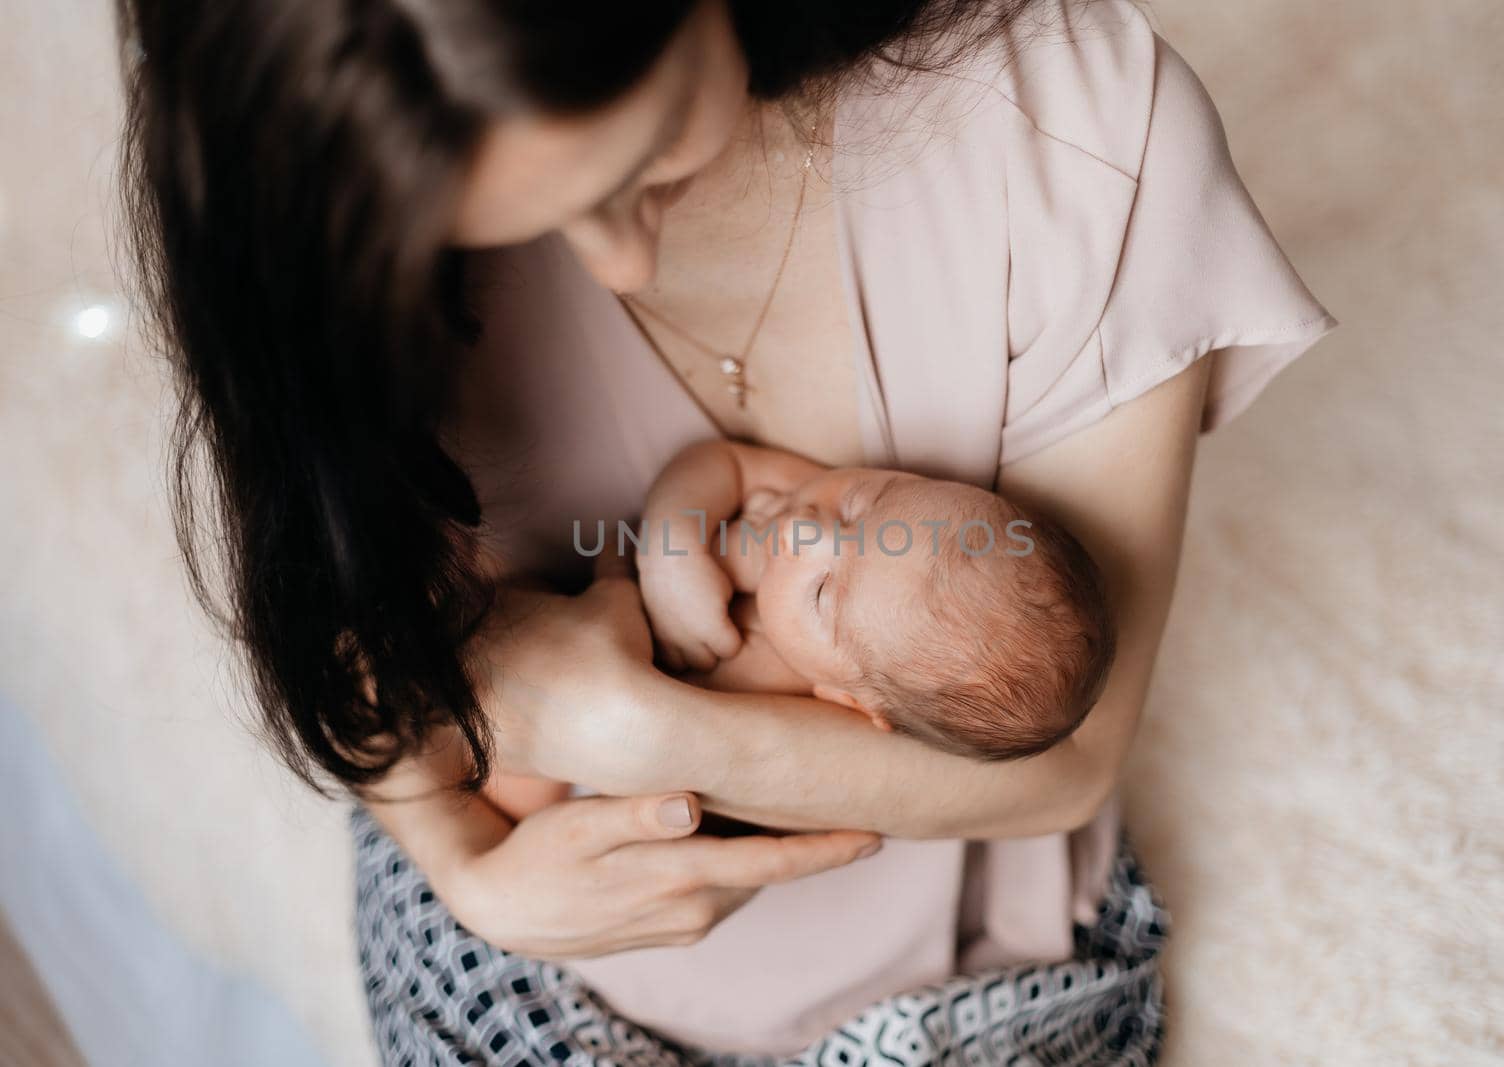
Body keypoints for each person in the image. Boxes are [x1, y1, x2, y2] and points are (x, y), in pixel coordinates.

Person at [119, 0, 1336, 1061]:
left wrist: (646, 727)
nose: (620, 257)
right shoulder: (336, 230)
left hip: (954, 972)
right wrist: (466, 871)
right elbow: (361, 636)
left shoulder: (1070, 128)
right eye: (499, 230)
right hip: (538, 928)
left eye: (643, 157)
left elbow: (1061, 757)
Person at [632, 439, 1118, 762]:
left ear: (845, 697)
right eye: (861, 504)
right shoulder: (803, 490)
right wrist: (669, 548)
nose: (806, 527)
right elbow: (722, 461)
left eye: (821, 593)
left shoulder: (770, 699)